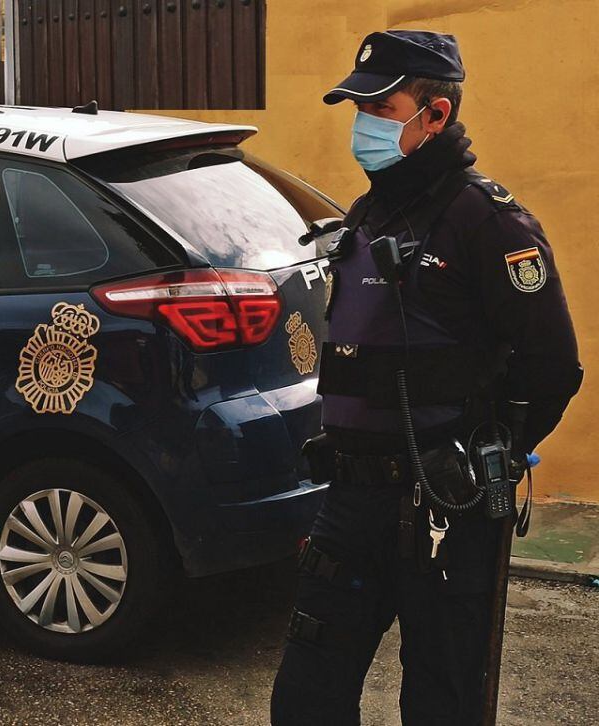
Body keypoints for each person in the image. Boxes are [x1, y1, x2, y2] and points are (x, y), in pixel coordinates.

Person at [270, 30, 583, 725]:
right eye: (359, 106)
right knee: (304, 699)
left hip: (443, 508)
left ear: (434, 115)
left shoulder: (489, 224)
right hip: (351, 501)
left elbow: (554, 366)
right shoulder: (369, 213)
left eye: (380, 108)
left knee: (443, 703)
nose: (363, 124)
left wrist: (485, 454)